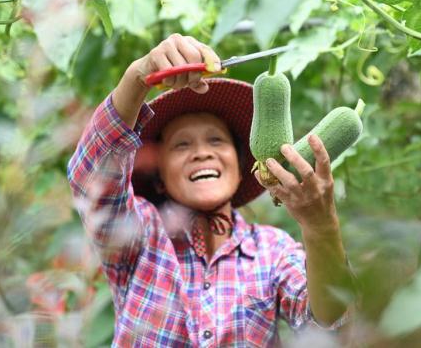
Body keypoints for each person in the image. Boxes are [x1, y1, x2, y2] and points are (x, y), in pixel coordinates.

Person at [67, 34, 354, 347]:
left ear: (242, 162)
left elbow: (328, 320)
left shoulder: (273, 251)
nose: (202, 152)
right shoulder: (141, 233)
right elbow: (91, 179)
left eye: (216, 140)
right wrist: (139, 74)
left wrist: (321, 226)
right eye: (181, 145)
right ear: (160, 175)